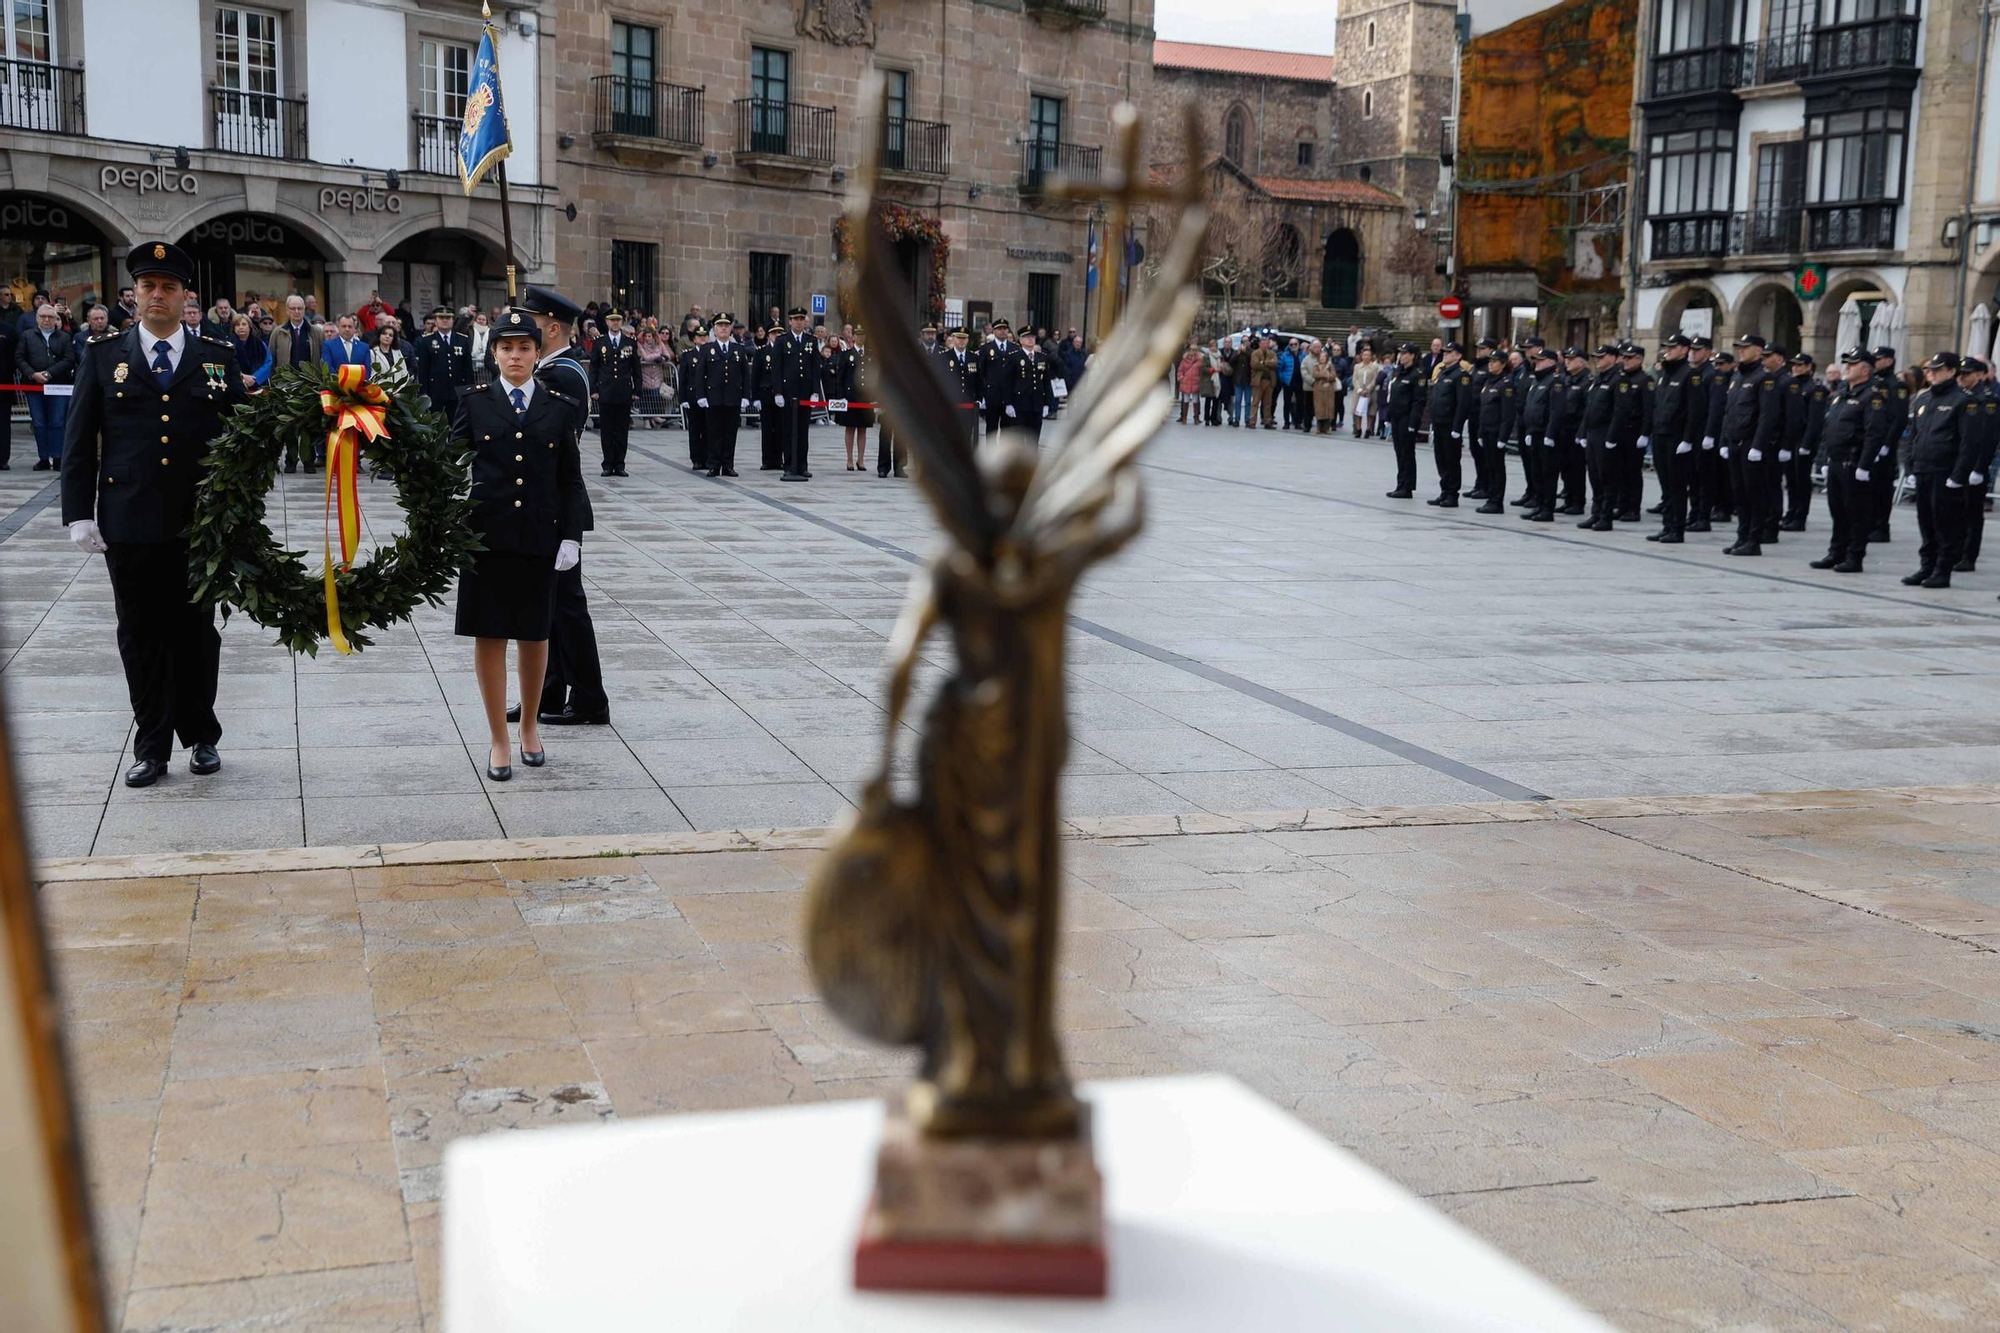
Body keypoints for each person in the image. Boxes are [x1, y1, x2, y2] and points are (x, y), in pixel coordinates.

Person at [61, 241, 244, 787]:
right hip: (130, 520)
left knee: (196, 632)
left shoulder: (217, 356)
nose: (158, 295)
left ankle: (202, 735)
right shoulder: (102, 356)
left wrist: (242, 510)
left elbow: (242, 439)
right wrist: (79, 514)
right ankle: (152, 744)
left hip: (199, 523)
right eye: (148, 287)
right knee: (139, 634)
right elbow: (78, 442)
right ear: (134, 294)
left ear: (187, 294)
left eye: (169, 287)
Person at [451, 310, 586, 781]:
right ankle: (498, 738)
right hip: (486, 538)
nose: (515, 356)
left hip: (538, 537)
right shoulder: (475, 403)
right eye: (506, 348)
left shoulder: (557, 405)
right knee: (490, 636)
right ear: (493, 354)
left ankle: (529, 727)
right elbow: (448, 464)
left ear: (536, 353)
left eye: (524, 348)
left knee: (534, 635)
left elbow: (570, 478)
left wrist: (572, 534)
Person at [511, 284, 610, 729]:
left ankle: (589, 698)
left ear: (551, 328)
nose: (518, 337)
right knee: (545, 606)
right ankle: (548, 692)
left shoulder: (561, 375)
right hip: (542, 505)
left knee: (567, 608)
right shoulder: (553, 369)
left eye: (527, 326)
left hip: (554, 507)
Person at [1809, 347, 1891, 575]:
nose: (1847, 368)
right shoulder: (1843, 395)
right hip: (1836, 461)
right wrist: (1826, 459)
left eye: (1852, 364)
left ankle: (1854, 556)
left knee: (1856, 512)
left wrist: (1864, 465)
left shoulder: (1871, 396)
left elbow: (1874, 433)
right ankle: (1837, 551)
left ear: (1865, 369)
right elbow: (1831, 428)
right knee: (1837, 510)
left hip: (1853, 463)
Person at [1901, 350, 1977, 588]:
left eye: (1937, 370)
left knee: (1945, 523)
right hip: (1923, 468)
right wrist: (1910, 467)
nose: (1931, 374)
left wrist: (1958, 475)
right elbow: (1913, 435)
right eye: (1930, 370)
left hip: (1945, 472)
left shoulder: (1964, 400)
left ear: (1952, 371)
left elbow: (1968, 442)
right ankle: (1926, 566)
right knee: (1925, 521)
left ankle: (1943, 569)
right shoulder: (1924, 399)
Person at [1646, 334, 1697, 543]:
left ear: (1685, 350)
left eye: (1673, 347)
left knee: (1677, 486)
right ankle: (1667, 526)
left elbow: (1695, 411)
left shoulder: (1690, 375)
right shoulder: (1665, 374)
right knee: (1666, 485)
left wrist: (1687, 439)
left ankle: (1677, 529)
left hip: (1677, 438)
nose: (1668, 350)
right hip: (1660, 434)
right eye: (1667, 347)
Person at [17, 303, 75, 470]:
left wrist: (49, 373)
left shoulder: (64, 337)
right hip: (33, 386)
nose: (47, 320)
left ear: (56, 319)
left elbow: (69, 359)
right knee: (39, 423)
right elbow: (20, 358)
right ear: (37, 319)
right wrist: (33, 374)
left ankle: (57, 457)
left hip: (58, 385)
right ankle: (43, 457)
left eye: (50, 317)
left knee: (57, 422)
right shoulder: (27, 336)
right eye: (43, 317)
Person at [697, 313, 751, 478]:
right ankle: (714, 465)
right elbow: (700, 374)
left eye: (726, 325)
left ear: (731, 328)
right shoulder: (707, 349)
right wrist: (701, 395)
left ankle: (728, 465)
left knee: (730, 433)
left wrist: (745, 396)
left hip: (732, 397)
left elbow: (745, 375)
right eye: (720, 325)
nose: (723, 328)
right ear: (714, 328)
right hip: (713, 397)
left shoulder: (738, 350)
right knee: (714, 433)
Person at [1956, 356, 1996, 573]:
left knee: (1971, 513)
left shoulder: (1987, 400)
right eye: (1960, 373)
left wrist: (1979, 468)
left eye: (1967, 374)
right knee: (1955, 511)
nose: (1962, 377)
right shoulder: (1960, 396)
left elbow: (1988, 438)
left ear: (1980, 375)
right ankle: (1955, 551)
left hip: (1974, 466)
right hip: (1957, 464)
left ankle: (1968, 556)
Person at [588, 309, 639, 476]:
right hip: (606, 391)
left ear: (622, 322)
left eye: (618, 320)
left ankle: (620, 464)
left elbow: (636, 369)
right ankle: (608, 463)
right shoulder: (600, 342)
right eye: (612, 320)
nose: (615, 323)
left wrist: (636, 390)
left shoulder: (629, 343)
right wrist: (594, 389)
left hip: (624, 391)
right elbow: (594, 367)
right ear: (607, 322)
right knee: (607, 430)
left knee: (622, 430)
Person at [1424, 340, 1472, 506]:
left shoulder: (1461, 375)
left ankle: (1452, 493)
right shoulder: (1443, 372)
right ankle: (1444, 490)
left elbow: (1463, 403)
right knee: (1441, 458)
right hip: (1439, 422)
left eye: (1449, 352)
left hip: (1450, 424)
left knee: (1451, 459)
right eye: (1445, 351)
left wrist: (1457, 427)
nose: (1445, 354)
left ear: (1458, 356)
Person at [775, 306, 819, 481]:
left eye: (802, 319)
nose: (799, 322)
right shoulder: (781, 341)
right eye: (796, 319)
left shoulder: (811, 341)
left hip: (805, 392)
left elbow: (816, 368)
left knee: (803, 430)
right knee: (788, 430)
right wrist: (778, 391)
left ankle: (802, 464)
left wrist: (815, 391)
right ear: (790, 321)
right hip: (788, 392)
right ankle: (789, 465)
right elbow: (777, 369)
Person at [1471, 349, 1516, 513]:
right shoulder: (1489, 382)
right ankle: (1491, 497)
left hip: (1497, 431)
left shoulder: (1506, 384)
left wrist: (1503, 437)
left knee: (1497, 467)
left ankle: (1497, 501)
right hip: (1487, 430)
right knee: (1489, 465)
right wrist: (1481, 432)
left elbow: (1508, 414)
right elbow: (1484, 410)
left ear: (1503, 364)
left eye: (1494, 361)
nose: (1490, 364)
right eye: (1489, 361)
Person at [413, 305, 473, 420]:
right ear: (435, 320)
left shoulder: (462, 340)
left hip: (457, 391)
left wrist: (469, 391)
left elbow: (468, 369)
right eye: (441, 318)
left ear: (453, 320)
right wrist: (424, 392)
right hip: (435, 392)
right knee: (436, 425)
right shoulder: (426, 341)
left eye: (448, 318)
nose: (445, 320)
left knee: (457, 424)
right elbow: (423, 370)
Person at [1002, 327, 1057, 440]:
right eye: (1027, 337)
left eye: (1032, 337)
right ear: (1021, 340)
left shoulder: (1041, 357)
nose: (1030, 339)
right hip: (1020, 404)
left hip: (1036, 404)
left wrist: (1047, 403)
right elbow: (1007, 382)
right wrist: (1008, 403)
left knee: (1034, 439)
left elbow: (1046, 381)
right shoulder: (1014, 358)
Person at [1383, 343, 1422, 497]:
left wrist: (1413, 423)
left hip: (1407, 417)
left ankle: (1408, 486)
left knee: (1407, 452)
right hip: (1396, 416)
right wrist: (1388, 416)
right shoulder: (1399, 372)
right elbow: (1392, 396)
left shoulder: (1416, 374)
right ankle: (1400, 484)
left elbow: (1418, 401)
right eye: (1401, 353)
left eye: (1405, 353)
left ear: (1412, 355)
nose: (1402, 356)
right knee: (1399, 452)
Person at [835, 325, 873, 470]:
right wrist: (841, 397)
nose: (860, 337)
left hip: (865, 397)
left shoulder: (870, 355)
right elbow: (840, 378)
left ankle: (861, 459)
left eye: (863, 335)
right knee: (850, 428)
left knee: (863, 429)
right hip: (850, 396)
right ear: (853, 337)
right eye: (857, 335)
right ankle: (849, 459)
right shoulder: (846, 354)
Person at [975, 319, 1017, 439]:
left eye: (1005, 329)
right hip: (992, 395)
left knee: (1008, 430)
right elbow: (981, 372)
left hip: (1009, 396)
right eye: (999, 329)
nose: (1002, 331)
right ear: (994, 331)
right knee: (991, 429)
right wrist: (983, 393)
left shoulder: (1014, 348)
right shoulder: (986, 349)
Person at [678, 326, 708, 472]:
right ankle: (696, 458)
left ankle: (708, 457)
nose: (702, 338)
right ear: (694, 339)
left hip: (708, 397)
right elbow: (682, 378)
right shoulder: (688, 355)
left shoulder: (711, 352)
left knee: (709, 428)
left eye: (705, 335)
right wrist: (682, 398)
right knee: (695, 429)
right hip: (693, 396)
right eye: (699, 336)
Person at [637, 324, 671, 428]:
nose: (648, 339)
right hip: (645, 374)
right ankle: (646, 419)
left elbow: (667, 355)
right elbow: (646, 357)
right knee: (645, 398)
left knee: (656, 397)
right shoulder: (640, 344)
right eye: (646, 336)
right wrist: (657, 356)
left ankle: (654, 415)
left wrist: (663, 359)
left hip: (656, 375)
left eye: (649, 336)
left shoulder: (659, 344)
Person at [229, 313, 272, 391]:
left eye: (244, 324)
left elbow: (268, 363)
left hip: (258, 385)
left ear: (249, 327)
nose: (241, 327)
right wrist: (242, 377)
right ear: (234, 328)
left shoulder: (260, 344)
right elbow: (226, 365)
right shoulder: (228, 345)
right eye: (237, 325)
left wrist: (254, 378)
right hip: (235, 387)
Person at [1351, 344, 1381, 439]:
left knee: (1370, 412)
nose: (1366, 357)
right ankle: (1358, 429)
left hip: (1370, 392)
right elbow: (1354, 379)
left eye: (1368, 355)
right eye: (1364, 355)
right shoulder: (1357, 366)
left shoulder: (1374, 367)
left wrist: (1368, 389)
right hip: (1359, 391)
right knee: (1358, 411)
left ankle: (1368, 429)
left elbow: (1375, 379)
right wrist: (1359, 389)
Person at [1250, 336, 1279, 428]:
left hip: (1269, 381)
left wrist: (1263, 362)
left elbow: (1275, 364)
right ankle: (1252, 421)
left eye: (1266, 343)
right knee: (1255, 402)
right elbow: (1255, 365)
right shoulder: (1255, 353)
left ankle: (1267, 421)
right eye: (1262, 343)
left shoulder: (1272, 353)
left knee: (1268, 403)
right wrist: (1267, 365)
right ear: (1259, 344)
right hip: (1258, 381)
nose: (1264, 345)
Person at [1175, 343, 1202, 424]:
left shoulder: (1200, 360)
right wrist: (1181, 378)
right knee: (1185, 400)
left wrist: (1200, 379)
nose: (1192, 351)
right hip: (1186, 382)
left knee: (1195, 400)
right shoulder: (1184, 360)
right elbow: (1180, 370)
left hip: (1195, 382)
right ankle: (1184, 417)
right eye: (1190, 349)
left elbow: (1202, 371)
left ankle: (1196, 418)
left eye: (1194, 349)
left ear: (1197, 351)